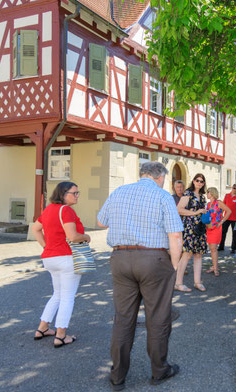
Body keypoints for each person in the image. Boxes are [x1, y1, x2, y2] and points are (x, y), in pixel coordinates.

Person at [96, 161, 184, 389]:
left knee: (123, 319)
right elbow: (175, 236)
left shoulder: (119, 192)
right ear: (160, 177)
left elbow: (100, 221)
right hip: (153, 259)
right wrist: (173, 267)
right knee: (158, 317)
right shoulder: (163, 196)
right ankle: (159, 370)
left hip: (121, 258)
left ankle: (117, 376)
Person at [31, 182, 91, 348]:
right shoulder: (66, 211)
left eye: (78, 192)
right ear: (63, 194)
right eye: (74, 193)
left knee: (57, 294)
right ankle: (61, 335)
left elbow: (35, 229)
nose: (77, 195)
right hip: (67, 258)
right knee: (67, 297)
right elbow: (72, 237)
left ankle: (42, 329)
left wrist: (46, 246)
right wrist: (86, 237)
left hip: (50, 258)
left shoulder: (49, 209)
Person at [175, 174, 208, 292]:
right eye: (197, 180)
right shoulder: (188, 193)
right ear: (193, 181)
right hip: (189, 227)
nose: (199, 183)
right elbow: (179, 209)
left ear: (204, 183)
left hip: (200, 227)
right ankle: (178, 283)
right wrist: (196, 212)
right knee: (187, 254)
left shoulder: (203, 197)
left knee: (198, 254)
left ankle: (197, 282)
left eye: (202, 181)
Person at [205, 187, 231, 276]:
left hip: (216, 228)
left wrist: (221, 222)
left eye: (207, 192)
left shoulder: (218, 203)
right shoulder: (208, 204)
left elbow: (229, 211)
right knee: (212, 249)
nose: (206, 194)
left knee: (214, 248)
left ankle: (216, 268)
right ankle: (214, 266)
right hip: (209, 228)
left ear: (212, 193)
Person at [219, 184, 236, 254]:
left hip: (235, 219)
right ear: (232, 188)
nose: (235, 190)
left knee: (234, 233)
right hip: (226, 217)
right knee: (223, 232)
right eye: (234, 188)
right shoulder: (227, 196)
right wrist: (221, 215)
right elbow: (223, 206)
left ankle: (233, 248)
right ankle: (221, 246)